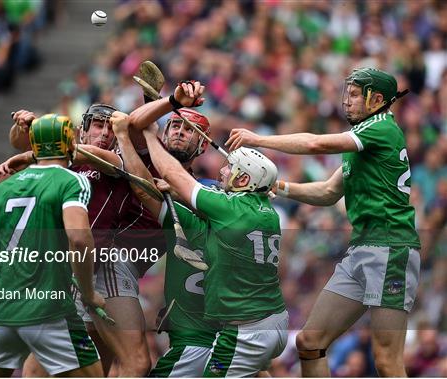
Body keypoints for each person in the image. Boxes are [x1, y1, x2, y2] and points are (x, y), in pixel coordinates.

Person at [226, 67, 421, 377]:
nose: (347, 101)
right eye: (348, 93)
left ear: (378, 100)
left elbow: (316, 145)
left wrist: (258, 139)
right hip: (362, 248)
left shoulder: (380, 128)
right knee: (310, 341)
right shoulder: (363, 136)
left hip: (390, 248)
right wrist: (279, 187)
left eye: (356, 95)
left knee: (386, 360)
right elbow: (329, 192)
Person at [125, 80, 289, 377]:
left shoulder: (224, 207)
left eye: (231, 169)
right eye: (174, 126)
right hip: (272, 320)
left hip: (237, 330)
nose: (223, 170)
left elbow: (172, 176)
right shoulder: (266, 210)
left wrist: (149, 138)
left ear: (243, 182)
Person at [0, 113, 104, 377]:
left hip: (1, 312)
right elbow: (79, 239)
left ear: (33, 146)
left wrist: (16, 265)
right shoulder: (72, 181)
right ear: (70, 144)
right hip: (50, 311)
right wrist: (89, 294)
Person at [110, 108, 220, 377]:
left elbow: (148, 187)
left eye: (188, 130)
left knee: (114, 363)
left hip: (130, 275)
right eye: (174, 126)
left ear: (203, 144)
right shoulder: (144, 156)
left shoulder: (205, 189)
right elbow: (132, 123)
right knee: (132, 363)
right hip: (108, 259)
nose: (179, 132)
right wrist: (165, 106)